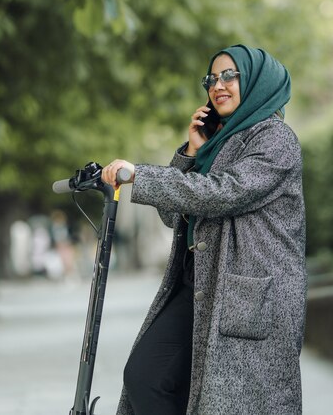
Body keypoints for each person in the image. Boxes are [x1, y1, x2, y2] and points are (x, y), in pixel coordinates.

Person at [102, 44, 307, 415]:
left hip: (247, 293)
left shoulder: (275, 139)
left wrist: (140, 174)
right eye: (212, 79)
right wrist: (191, 153)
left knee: (232, 403)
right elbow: (171, 215)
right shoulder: (218, 143)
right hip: (199, 283)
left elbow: (225, 192)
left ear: (258, 82)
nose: (218, 85)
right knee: (145, 376)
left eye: (230, 75)